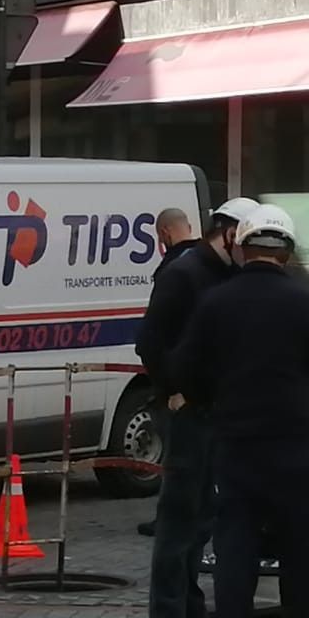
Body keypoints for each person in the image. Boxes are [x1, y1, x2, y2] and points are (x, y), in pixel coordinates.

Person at [171, 204, 309, 618]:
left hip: (237, 442)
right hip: (296, 441)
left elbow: (186, 369)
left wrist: (212, 397)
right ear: (286, 251)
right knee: (302, 549)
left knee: (235, 548)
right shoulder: (305, 301)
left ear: (243, 247)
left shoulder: (217, 301)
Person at [134, 197, 256, 618]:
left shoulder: (224, 274)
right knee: (179, 519)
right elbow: (149, 340)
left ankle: (190, 613)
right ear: (225, 233)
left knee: (202, 516)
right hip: (187, 410)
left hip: (213, 410)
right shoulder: (184, 274)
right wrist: (173, 391)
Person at [135, 207, 200, 541]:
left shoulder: (174, 269)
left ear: (164, 233)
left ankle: (174, 522)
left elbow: (154, 335)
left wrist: (167, 385)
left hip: (176, 382)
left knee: (177, 459)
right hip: (205, 383)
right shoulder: (208, 264)